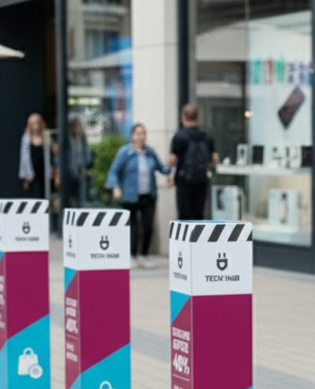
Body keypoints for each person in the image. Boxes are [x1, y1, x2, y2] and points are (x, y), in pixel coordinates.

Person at [106, 122, 170, 268]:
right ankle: (132, 254)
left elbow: (161, 168)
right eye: (138, 133)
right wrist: (115, 187)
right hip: (130, 195)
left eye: (143, 133)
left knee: (148, 225)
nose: (141, 136)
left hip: (148, 194)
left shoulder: (150, 153)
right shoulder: (125, 153)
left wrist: (170, 169)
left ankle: (144, 254)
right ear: (132, 136)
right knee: (133, 227)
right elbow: (114, 171)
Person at [168, 103, 218, 220]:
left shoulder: (179, 136)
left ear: (183, 117)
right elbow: (215, 159)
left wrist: (170, 173)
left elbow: (172, 160)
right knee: (198, 215)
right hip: (201, 181)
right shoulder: (206, 136)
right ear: (197, 118)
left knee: (184, 215)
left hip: (184, 182)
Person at [19, 113, 54, 199]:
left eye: (38, 123)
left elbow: (52, 154)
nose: (36, 126)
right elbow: (24, 157)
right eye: (33, 123)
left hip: (45, 172)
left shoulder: (46, 136)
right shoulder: (26, 138)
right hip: (32, 173)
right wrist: (27, 174)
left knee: (46, 195)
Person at [65, 117, 93, 207]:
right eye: (76, 126)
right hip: (70, 172)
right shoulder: (68, 140)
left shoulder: (83, 140)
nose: (78, 128)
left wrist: (85, 167)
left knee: (81, 197)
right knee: (71, 197)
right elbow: (67, 157)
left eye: (79, 126)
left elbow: (87, 155)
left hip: (81, 171)